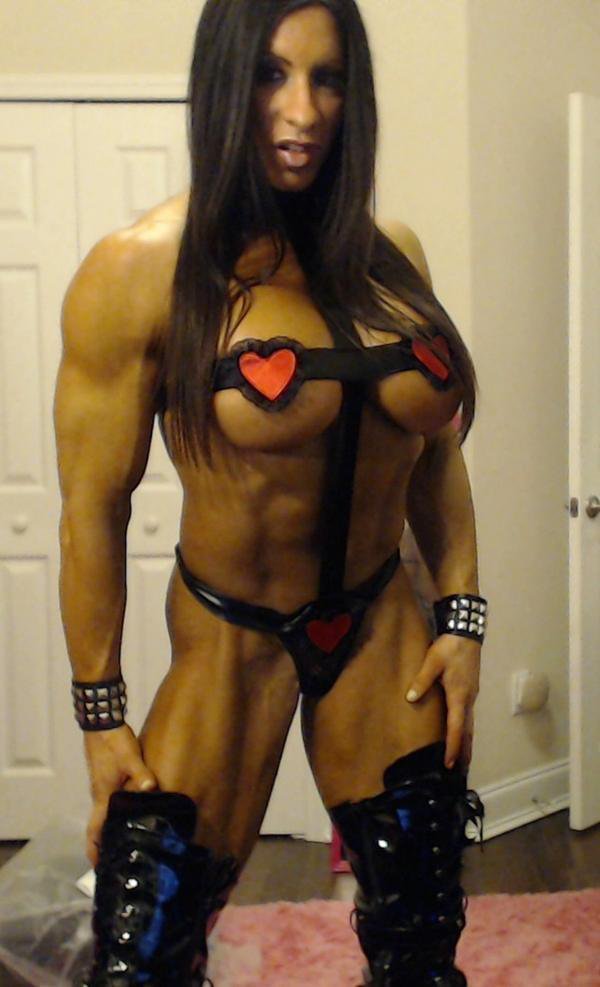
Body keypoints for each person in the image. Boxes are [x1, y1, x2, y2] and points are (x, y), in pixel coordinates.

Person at [54, 0, 486, 984]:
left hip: (379, 630)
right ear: (225, 82)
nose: (303, 109)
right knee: (143, 955)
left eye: (328, 78)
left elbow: (436, 453)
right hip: (230, 642)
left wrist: (462, 615)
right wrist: (101, 715)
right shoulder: (142, 270)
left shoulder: (391, 255)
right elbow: (92, 506)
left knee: (422, 944)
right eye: (272, 74)